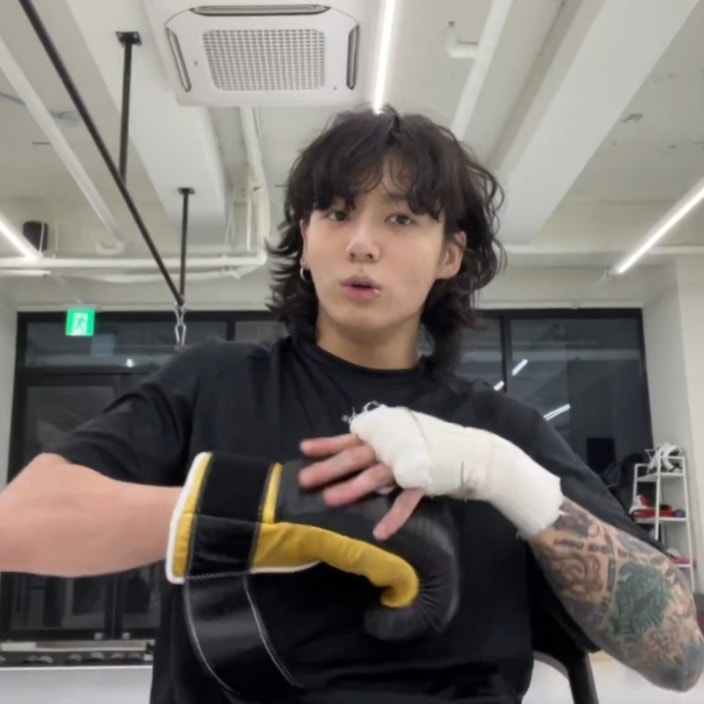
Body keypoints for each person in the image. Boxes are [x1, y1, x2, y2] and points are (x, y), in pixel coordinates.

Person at [0, 106, 702, 704]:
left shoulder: (502, 431)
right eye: (336, 213)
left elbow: (679, 657)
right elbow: (21, 523)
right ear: (305, 240)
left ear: (450, 256)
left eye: (401, 218)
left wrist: (504, 477)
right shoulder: (215, 385)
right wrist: (275, 515)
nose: (362, 243)